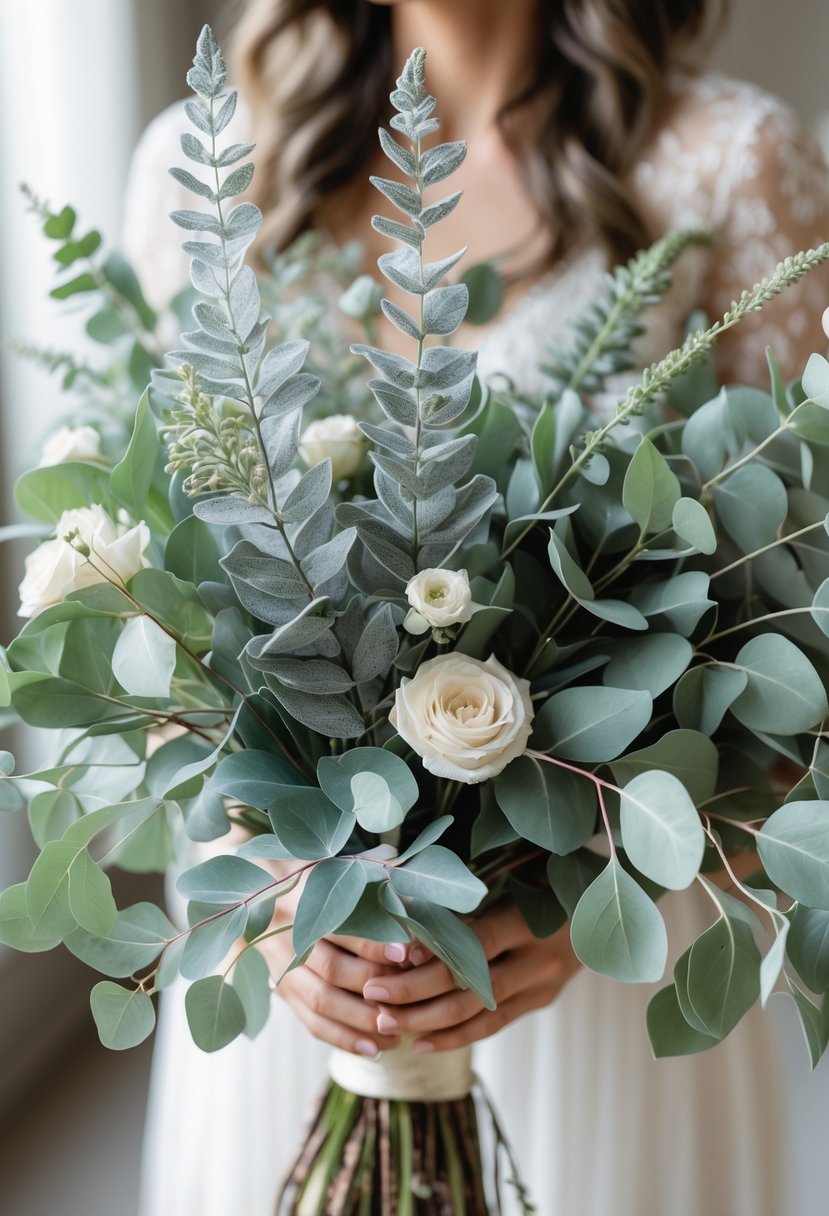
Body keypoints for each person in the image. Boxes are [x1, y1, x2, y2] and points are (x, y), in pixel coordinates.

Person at [125, 2, 829, 1213]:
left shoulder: (728, 160)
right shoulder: (204, 161)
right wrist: (263, 885)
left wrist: (614, 889)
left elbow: (791, 642)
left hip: (597, 971)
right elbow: (154, 604)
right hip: (303, 968)